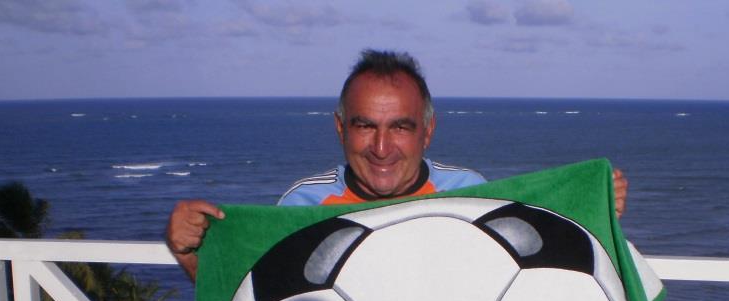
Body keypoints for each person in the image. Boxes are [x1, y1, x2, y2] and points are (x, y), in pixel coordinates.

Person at [165, 49, 628, 281]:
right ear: (340, 127)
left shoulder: (469, 191)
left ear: (427, 131)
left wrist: (592, 210)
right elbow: (249, 295)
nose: (382, 147)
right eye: (365, 126)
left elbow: (529, 273)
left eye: (401, 128)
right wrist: (190, 253)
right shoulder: (301, 204)